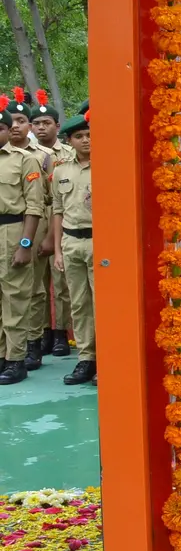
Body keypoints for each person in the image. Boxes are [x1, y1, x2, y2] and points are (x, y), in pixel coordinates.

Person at [0, 95, 44, 386]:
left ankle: (16, 360)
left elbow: (34, 206)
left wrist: (25, 245)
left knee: (15, 298)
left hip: (12, 231)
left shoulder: (25, 159)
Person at [50, 113, 95, 386]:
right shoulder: (61, 171)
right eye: (79, 137)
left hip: (98, 240)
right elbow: (57, 211)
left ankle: (106, 358)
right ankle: (85, 358)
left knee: (102, 301)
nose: (86, 140)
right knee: (78, 303)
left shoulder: (106, 165)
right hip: (70, 241)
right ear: (70, 141)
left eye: (89, 135)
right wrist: (57, 251)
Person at [27, 94, 69, 357]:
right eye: (36, 123)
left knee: (61, 280)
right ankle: (42, 331)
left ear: (56, 125)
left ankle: (61, 333)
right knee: (36, 281)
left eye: (46, 122)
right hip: (37, 217)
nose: (41, 127)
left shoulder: (70, 152)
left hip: (62, 217)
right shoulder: (27, 155)